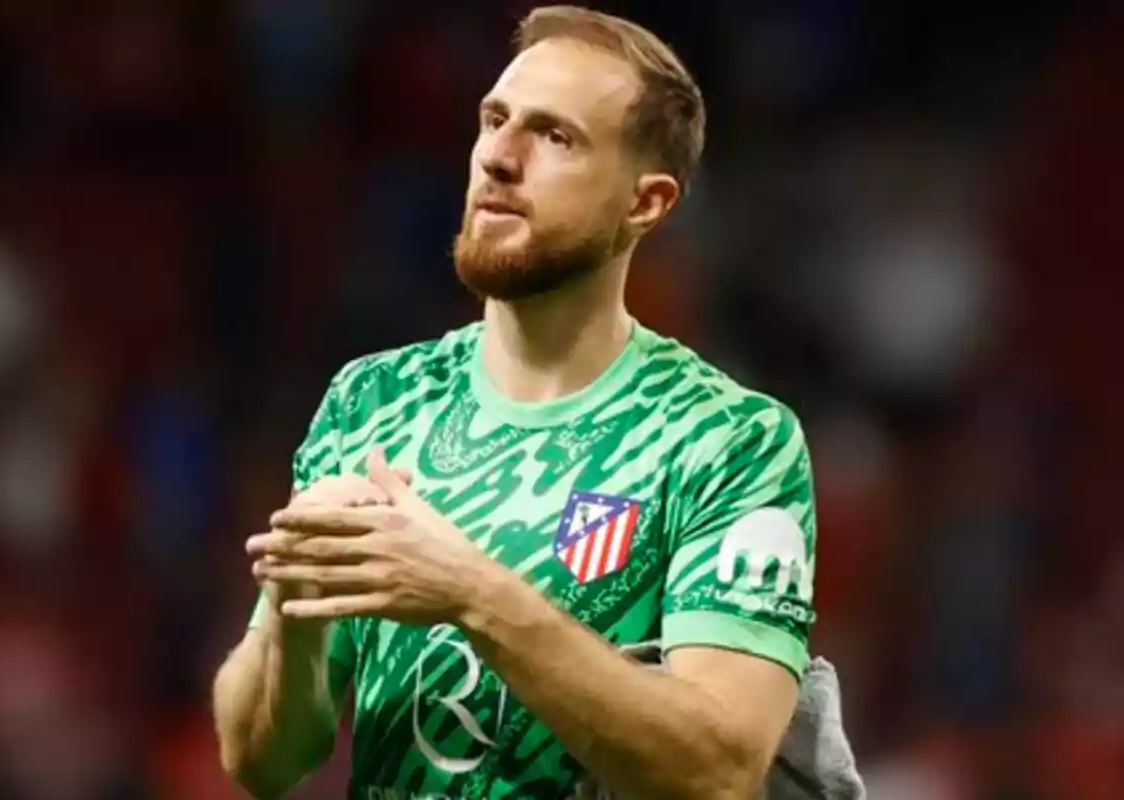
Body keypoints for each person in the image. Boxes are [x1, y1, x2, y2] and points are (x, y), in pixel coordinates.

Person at [212, 6, 818, 799]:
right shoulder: (373, 402)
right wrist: (296, 605)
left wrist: (470, 592)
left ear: (647, 203)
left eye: (555, 137)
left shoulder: (728, 441)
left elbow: (718, 771)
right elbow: (261, 762)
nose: (498, 156)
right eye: (494, 120)